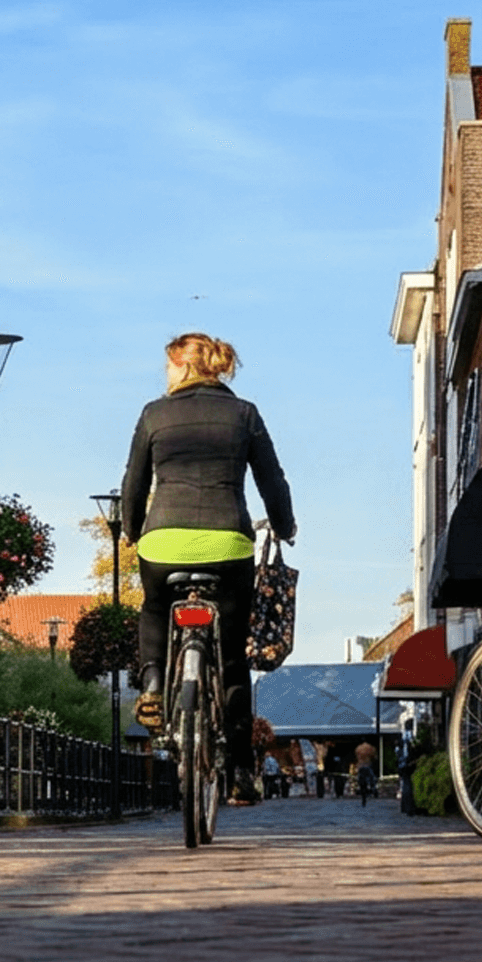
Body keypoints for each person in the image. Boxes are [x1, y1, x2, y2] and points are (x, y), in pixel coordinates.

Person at [121, 333, 296, 803]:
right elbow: (272, 480)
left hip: (163, 541)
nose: (166, 376)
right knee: (234, 657)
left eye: (168, 367)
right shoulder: (244, 414)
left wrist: (132, 530)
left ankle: (154, 680)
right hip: (228, 542)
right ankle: (239, 771)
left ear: (182, 364)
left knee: (156, 606)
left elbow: (133, 484)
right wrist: (285, 526)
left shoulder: (154, 414)